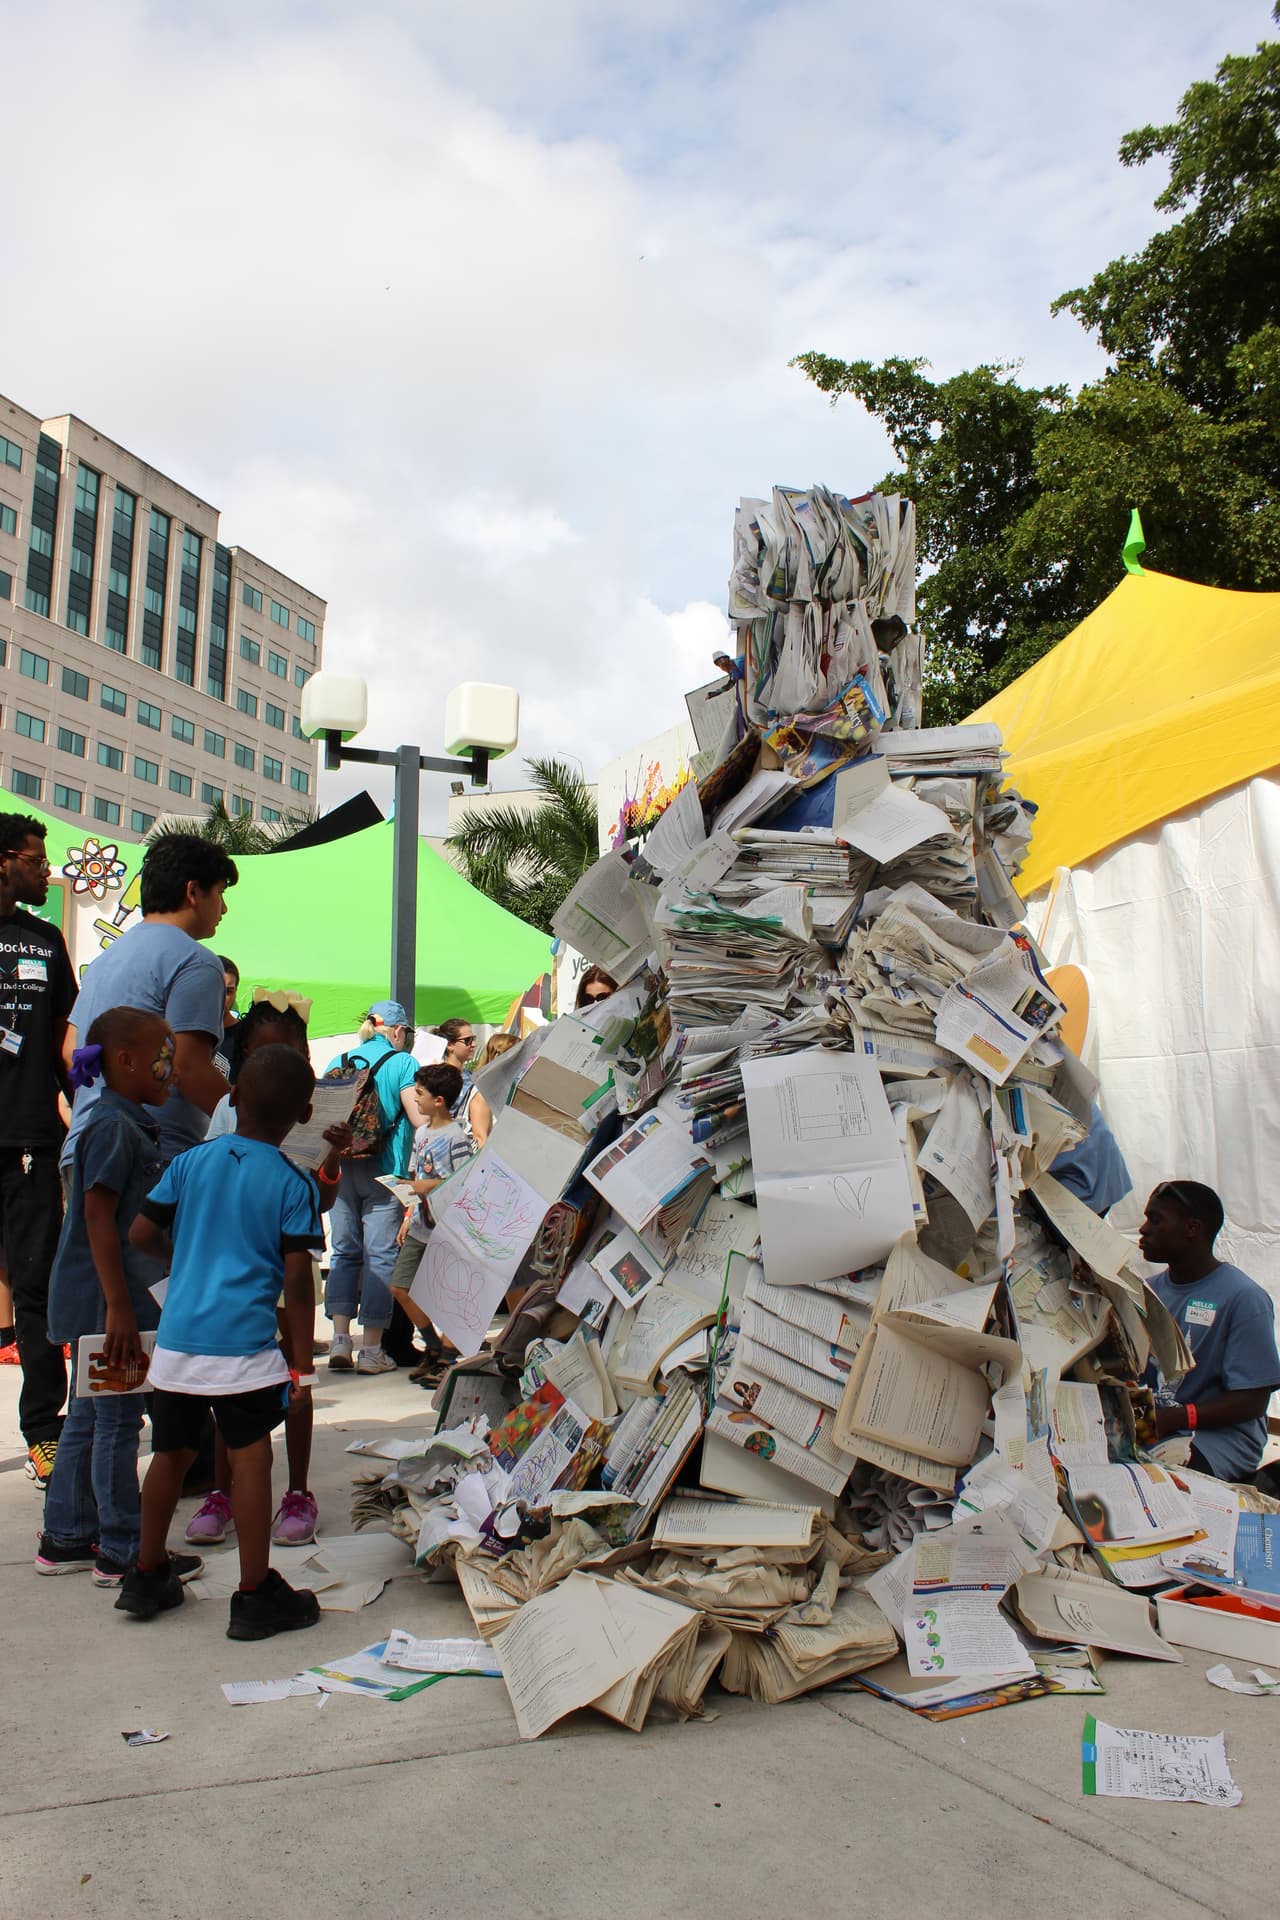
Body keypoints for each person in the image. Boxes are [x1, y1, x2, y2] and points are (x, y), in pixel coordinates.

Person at [120, 1045, 325, 1639]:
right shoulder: (293, 1181)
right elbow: (295, 1278)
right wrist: (301, 1356)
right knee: (251, 1455)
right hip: (245, 1347)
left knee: (171, 1453)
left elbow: (140, 1234)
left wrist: (180, 1263)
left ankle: (147, 1570)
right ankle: (255, 1591)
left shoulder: (189, 1164)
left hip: (180, 1343)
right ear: (305, 1114)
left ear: (232, 1098)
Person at [36, 1008, 195, 1587]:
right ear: (124, 1061)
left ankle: (67, 1535)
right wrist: (119, 1308)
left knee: (86, 1415)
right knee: (120, 1421)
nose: (171, 1072)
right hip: (109, 1306)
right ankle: (124, 1549)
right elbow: (99, 1217)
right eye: (163, 1059)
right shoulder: (112, 1127)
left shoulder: (120, 1120)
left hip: (100, 1303)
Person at [186, 991, 351, 1549]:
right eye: (263, 1054)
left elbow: (321, 1207)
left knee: (298, 1381)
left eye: (290, 1055)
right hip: (239, 1272)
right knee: (227, 1387)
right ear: (243, 1059)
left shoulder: (314, 1110)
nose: (276, 1069)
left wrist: (331, 1160)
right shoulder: (227, 1112)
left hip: (292, 1274)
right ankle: (223, 1492)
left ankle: (298, 1492)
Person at [63, 833, 237, 1170]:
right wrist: (254, 1126)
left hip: (84, 1147)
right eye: (220, 893)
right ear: (193, 892)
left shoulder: (105, 960)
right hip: (151, 1157)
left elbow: (70, 1049)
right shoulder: (195, 961)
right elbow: (188, 1066)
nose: (224, 908)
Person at [0, 813, 78, 1486]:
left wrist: (90, 1098)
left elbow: (64, 1043)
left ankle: (43, 1430)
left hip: (28, 1139)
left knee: (34, 1288)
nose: (44, 871)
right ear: (4, 861)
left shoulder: (45, 939)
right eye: (33, 860)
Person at [1139, 1180, 1280, 1482]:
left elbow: (1253, 1401)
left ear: (1192, 1228)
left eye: (1156, 1219)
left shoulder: (1244, 1298)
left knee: (1159, 1482)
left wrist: (1176, 1418)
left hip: (1217, 1439)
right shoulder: (1146, 1292)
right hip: (1157, 1424)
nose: (1143, 1229)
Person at [324, 1001, 419, 1374]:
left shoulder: (341, 1057)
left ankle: (340, 1340)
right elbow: (415, 1114)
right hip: (385, 1170)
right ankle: (373, 1350)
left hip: (340, 1165)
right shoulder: (403, 1063)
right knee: (381, 1256)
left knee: (345, 1252)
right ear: (397, 1031)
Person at [388, 1062, 475, 1384]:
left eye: (420, 1094)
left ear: (439, 1100)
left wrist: (425, 1187)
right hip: (421, 1224)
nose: (416, 1098)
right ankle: (433, 1345)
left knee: (450, 1295)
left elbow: (464, 1180)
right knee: (401, 1285)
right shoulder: (421, 1133)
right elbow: (415, 1175)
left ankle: (447, 1358)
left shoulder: (456, 1136)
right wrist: (408, 1214)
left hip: (447, 1227)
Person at [430, 1018, 491, 1146]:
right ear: (449, 1045)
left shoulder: (473, 1077)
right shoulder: (434, 1077)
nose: (473, 1044)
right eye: (467, 1040)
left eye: (473, 1039)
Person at [214, 955, 244, 1081]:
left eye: (228, 991)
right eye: (216, 988)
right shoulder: (187, 1030)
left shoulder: (245, 1037)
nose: (222, 997)